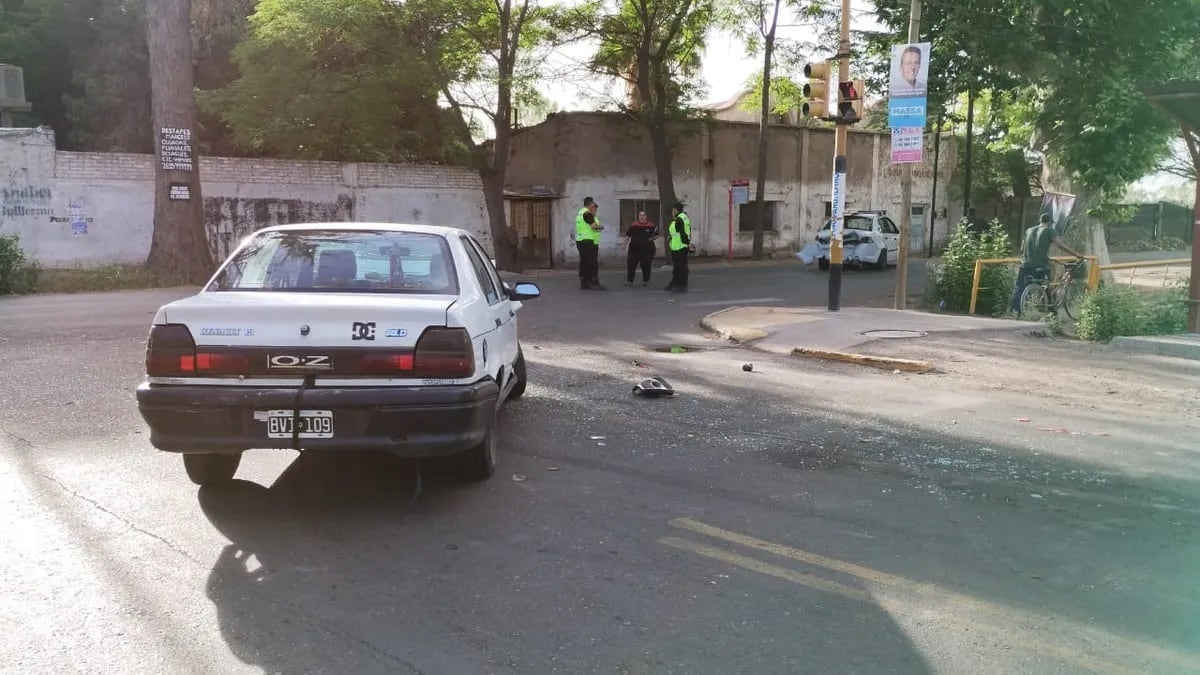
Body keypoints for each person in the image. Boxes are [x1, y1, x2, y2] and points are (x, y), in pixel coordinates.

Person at [1010, 212, 1083, 314]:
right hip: (1040, 265)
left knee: (1020, 288)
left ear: (1040, 221)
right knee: (1047, 285)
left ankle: (1014, 312)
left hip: (1025, 265)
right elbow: (1059, 245)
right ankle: (1051, 311)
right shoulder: (1049, 230)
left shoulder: (1029, 230)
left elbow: (1022, 249)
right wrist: (1076, 254)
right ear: (1049, 222)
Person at [575, 196, 605, 290]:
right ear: (590, 203)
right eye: (593, 203)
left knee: (584, 262)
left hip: (581, 240)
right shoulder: (587, 213)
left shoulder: (580, 213)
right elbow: (593, 226)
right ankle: (594, 282)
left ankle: (584, 282)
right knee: (592, 263)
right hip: (588, 241)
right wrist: (601, 227)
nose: (594, 205)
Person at [624, 210, 658, 286]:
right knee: (631, 265)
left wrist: (651, 239)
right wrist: (624, 245)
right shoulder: (634, 225)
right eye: (640, 215)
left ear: (646, 217)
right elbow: (628, 236)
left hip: (647, 250)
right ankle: (630, 281)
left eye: (643, 215)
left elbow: (656, 235)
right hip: (634, 249)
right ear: (638, 217)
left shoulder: (651, 225)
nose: (642, 217)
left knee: (646, 265)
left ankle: (646, 281)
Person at [665, 201, 691, 293]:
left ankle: (680, 285)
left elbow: (681, 232)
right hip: (680, 246)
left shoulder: (679, 219)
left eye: (673, 210)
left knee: (679, 267)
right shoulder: (684, 218)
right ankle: (677, 283)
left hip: (679, 247)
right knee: (681, 266)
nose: (672, 212)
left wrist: (686, 242)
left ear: (676, 210)